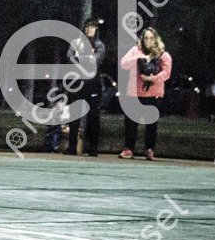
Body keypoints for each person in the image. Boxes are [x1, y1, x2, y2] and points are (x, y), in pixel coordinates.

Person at [118, 27, 172, 160]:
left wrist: (153, 78)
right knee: (130, 123)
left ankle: (149, 149)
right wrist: (139, 57)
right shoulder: (135, 51)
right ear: (142, 39)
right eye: (146, 38)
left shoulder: (163, 54)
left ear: (156, 39)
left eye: (151, 38)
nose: (148, 41)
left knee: (151, 124)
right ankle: (128, 149)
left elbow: (166, 73)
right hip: (134, 93)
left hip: (154, 93)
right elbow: (123, 63)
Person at [65, 19, 106, 156]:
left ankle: (93, 147)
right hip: (77, 83)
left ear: (96, 29)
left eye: (93, 27)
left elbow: (95, 61)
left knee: (93, 116)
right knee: (74, 115)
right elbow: (69, 57)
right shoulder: (76, 43)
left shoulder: (100, 45)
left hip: (92, 84)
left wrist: (80, 57)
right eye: (88, 27)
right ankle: (72, 146)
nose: (90, 29)